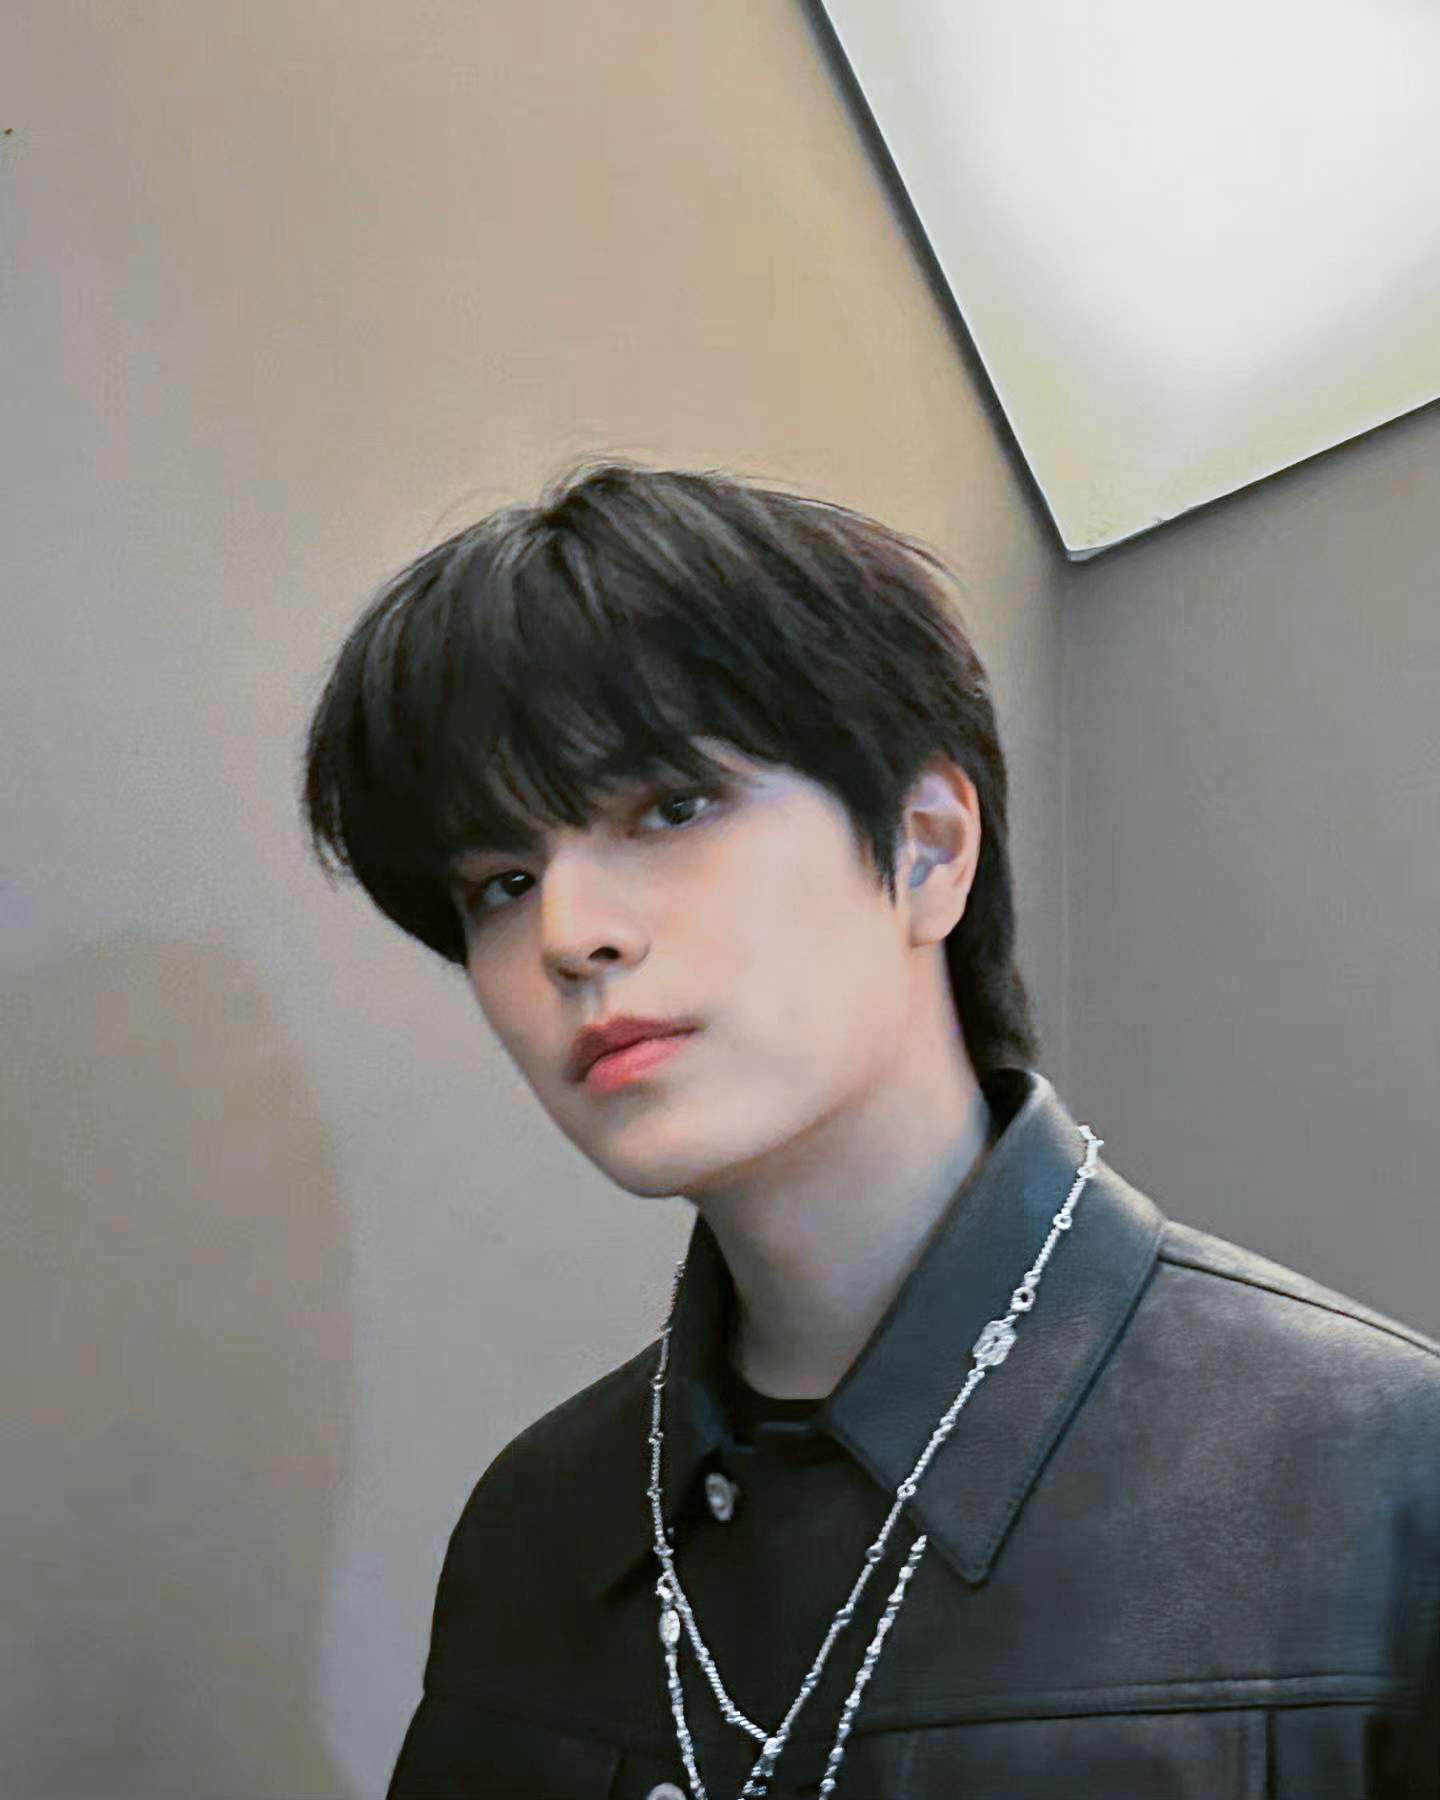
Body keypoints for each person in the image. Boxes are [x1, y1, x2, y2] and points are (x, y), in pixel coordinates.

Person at [302, 461, 1440, 1799]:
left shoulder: (1375, 1478)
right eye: (501, 881)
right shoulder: (538, 1527)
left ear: (927, 845)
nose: (568, 934)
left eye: (671, 808)